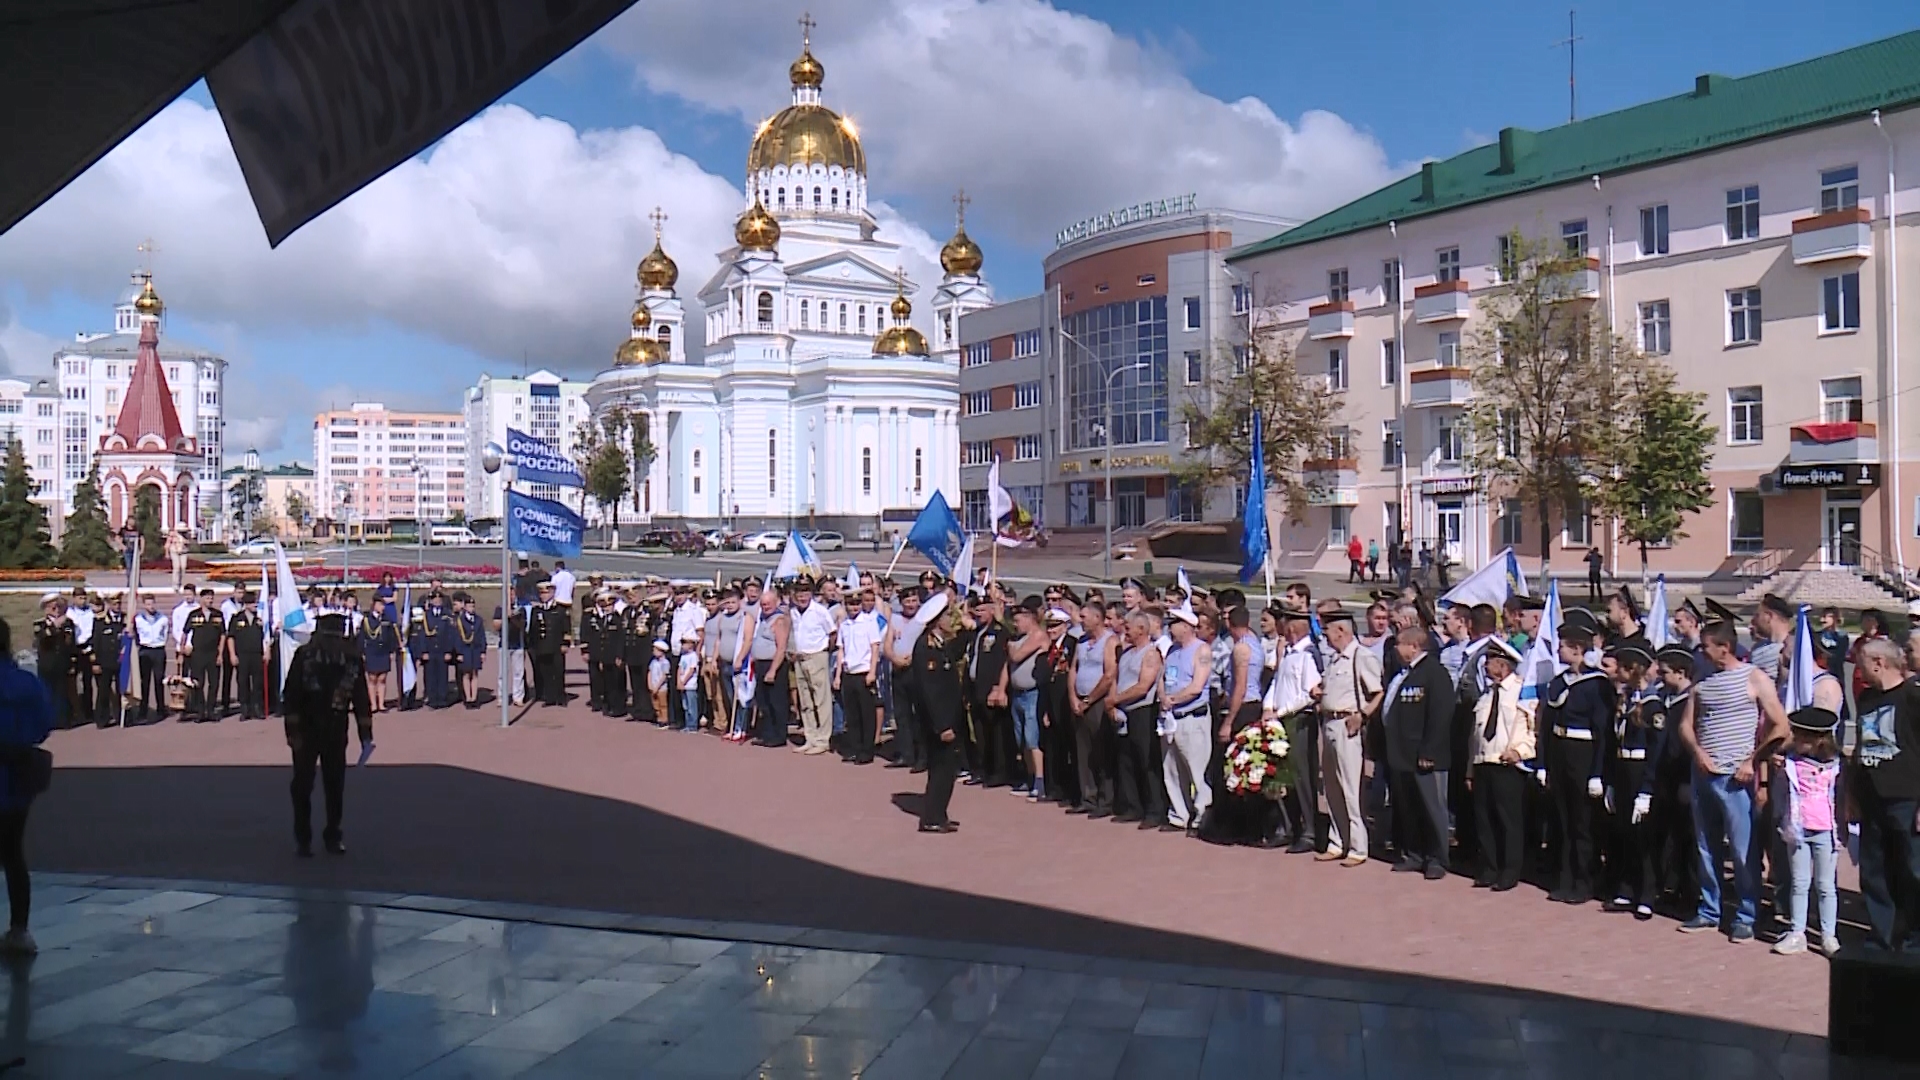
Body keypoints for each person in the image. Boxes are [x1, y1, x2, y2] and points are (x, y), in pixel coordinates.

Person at [1674, 618, 1790, 942]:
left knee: (1743, 851)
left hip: (1736, 779)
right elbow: (1686, 724)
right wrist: (1697, 751)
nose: (1702, 652)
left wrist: (1753, 761)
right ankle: (1709, 909)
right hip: (1703, 775)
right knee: (1706, 847)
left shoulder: (1754, 678)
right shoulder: (1703, 680)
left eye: (1707, 647)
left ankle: (1746, 915)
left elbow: (1780, 726)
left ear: (1724, 648)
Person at [1849, 637, 1920, 953]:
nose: (1858, 668)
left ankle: (1915, 935)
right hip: (1872, 796)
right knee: (1875, 870)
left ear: (1879, 662)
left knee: (1912, 869)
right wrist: (1851, 795)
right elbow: (1861, 747)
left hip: (1907, 797)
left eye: (1862, 661)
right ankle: (1883, 934)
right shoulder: (1866, 698)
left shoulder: (1912, 696)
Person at [282, 613, 372, 858]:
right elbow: (360, 699)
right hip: (317, 728)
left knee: (318, 785)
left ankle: (315, 837)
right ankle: (320, 837)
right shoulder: (336, 657)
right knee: (321, 785)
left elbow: (290, 696)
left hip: (318, 729)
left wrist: (365, 731)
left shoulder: (339, 658)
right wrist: (365, 732)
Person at [1539, 622, 1613, 904]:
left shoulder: (1596, 685)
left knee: (1583, 822)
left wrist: (1596, 773)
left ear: (1578, 650)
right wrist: (1544, 764)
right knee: (1563, 819)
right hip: (1560, 752)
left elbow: (1602, 732)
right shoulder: (1558, 683)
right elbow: (1547, 726)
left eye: (1563, 645)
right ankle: (1565, 878)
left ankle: (1586, 880)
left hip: (1583, 754)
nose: (1558, 649)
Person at [1382, 627, 1455, 880]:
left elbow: (1441, 715)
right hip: (1402, 754)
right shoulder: (1404, 674)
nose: (1395, 648)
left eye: (1400, 644)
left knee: (1432, 807)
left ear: (1414, 646)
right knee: (1409, 808)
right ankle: (1414, 854)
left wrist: (1430, 751)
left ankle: (1437, 858)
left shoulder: (1435, 674)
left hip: (1425, 756)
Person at [1771, 706, 1843, 957]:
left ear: (1818, 740)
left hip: (1825, 830)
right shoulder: (1790, 764)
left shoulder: (1836, 765)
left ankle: (1828, 936)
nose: (1795, 740)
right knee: (1800, 882)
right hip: (1798, 829)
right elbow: (1781, 793)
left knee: (1825, 885)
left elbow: (1842, 796)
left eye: (1800, 736)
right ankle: (1797, 932)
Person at [0, 618, 53, 955]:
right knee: (13, 855)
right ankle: (19, 929)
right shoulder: (25, 682)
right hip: (16, 777)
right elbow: (45, 724)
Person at [1599, 644, 1660, 918]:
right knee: (1623, 833)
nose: (1619, 672)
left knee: (1643, 837)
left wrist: (1647, 790)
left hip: (1640, 771)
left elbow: (1656, 751)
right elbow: (1615, 743)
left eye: (1624, 667)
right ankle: (1626, 889)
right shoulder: (1624, 701)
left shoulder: (1653, 706)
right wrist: (1610, 781)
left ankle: (1647, 893)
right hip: (1623, 769)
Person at [1318, 608, 1382, 866]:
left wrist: (1362, 715)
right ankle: (1337, 840)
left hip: (1347, 725)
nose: (1326, 637)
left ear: (1341, 630)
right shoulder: (1335, 660)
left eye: (1329, 631)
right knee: (1332, 787)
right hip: (1329, 722)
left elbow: (1377, 692)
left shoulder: (1360, 656)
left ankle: (1357, 846)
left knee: (1349, 787)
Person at [1468, 637, 1532, 890]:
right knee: (1485, 820)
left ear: (1503, 665)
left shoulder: (1520, 691)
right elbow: (1474, 735)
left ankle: (1510, 871)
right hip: (1484, 763)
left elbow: (1531, 729)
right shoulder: (1487, 695)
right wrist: (1470, 769)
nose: (1485, 667)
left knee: (1509, 821)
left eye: (1490, 662)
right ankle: (1489, 868)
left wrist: (1520, 751)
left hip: (1507, 765)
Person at [1264, 602, 1321, 853]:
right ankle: (1287, 826)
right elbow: (1276, 683)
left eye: (1285, 622)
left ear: (1294, 626)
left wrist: (1283, 711)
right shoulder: (1287, 653)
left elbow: (1310, 694)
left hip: (1298, 721)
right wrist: (1268, 707)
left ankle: (1309, 830)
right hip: (1278, 719)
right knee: (1280, 776)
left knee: (1300, 776)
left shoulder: (1308, 654)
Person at [1109, 611, 1166, 829]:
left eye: (1129, 627)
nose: (1125, 630)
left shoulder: (1150, 654)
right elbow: (1117, 679)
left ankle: (1155, 809)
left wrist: (1116, 699)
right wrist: (1113, 703)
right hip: (1124, 712)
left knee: (1146, 762)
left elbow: (1143, 686)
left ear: (1141, 629)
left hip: (1142, 711)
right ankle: (1132, 806)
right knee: (1126, 760)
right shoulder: (1126, 653)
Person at [913, 594, 965, 833]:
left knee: (946, 769)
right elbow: (930, 692)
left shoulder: (939, 643)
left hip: (947, 718)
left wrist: (967, 630)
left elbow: (955, 651)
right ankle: (932, 817)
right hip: (938, 722)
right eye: (946, 616)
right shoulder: (926, 648)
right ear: (936, 621)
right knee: (942, 769)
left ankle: (939, 813)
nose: (949, 619)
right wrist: (943, 725)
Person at [1067, 600, 1118, 818]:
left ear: (1098, 618)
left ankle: (1106, 800)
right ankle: (1088, 796)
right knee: (1083, 752)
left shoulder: (1109, 641)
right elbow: (1073, 670)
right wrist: (1073, 697)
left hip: (1097, 702)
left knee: (1101, 750)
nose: (1081, 620)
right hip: (1079, 702)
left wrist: (1089, 700)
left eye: (1085, 617)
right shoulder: (1081, 641)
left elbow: (1109, 675)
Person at [1005, 602, 1049, 800]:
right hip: (1018, 693)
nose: (1015, 625)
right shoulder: (1019, 638)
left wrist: (1011, 646)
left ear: (1029, 618)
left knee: (1032, 739)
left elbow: (1016, 656)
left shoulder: (1037, 636)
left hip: (1033, 693)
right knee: (1021, 738)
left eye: (1018, 620)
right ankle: (1029, 777)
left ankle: (1039, 781)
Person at [787, 577, 836, 755]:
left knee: (821, 700)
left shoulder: (820, 611)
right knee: (805, 701)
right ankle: (811, 737)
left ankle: (823, 740)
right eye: (800, 592)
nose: (803, 596)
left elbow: (832, 634)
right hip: (800, 658)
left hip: (817, 656)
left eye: (806, 592)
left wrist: (823, 652)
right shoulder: (793, 611)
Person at [835, 585, 883, 764]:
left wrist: (872, 672)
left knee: (866, 714)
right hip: (849, 673)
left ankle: (866, 750)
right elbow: (841, 650)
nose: (854, 607)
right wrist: (838, 676)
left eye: (857, 604)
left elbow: (875, 648)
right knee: (852, 714)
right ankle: (854, 748)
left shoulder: (869, 622)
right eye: (850, 604)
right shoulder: (845, 625)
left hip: (864, 673)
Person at [750, 583, 793, 748]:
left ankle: (778, 736)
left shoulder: (779, 620)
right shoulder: (763, 619)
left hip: (774, 665)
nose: (765, 607)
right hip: (760, 665)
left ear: (776, 603)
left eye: (768, 603)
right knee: (763, 702)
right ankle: (767, 734)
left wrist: (773, 670)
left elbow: (781, 648)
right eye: (762, 604)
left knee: (777, 702)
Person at [182, 588, 226, 723]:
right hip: (198, 654)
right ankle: (200, 712)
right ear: (201, 599)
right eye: (207, 598)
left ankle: (211, 710)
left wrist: (220, 653)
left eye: (211, 598)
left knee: (214, 683)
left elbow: (223, 635)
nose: (210, 600)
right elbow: (185, 632)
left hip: (213, 653)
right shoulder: (193, 614)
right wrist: (182, 649)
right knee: (198, 683)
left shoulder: (218, 615)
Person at [527, 582, 570, 707]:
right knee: (545, 672)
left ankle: (560, 697)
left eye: (546, 593)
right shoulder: (537, 609)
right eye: (541, 593)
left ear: (552, 593)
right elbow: (533, 628)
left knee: (558, 671)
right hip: (542, 646)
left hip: (556, 645)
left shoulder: (560, 609)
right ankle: (549, 697)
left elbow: (566, 627)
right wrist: (532, 645)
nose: (543, 596)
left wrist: (565, 643)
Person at [226, 592, 268, 720]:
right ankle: (245, 709)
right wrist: (232, 655)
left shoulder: (260, 619)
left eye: (255, 602)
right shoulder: (236, 618)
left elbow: (266, 637)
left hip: (256, 654)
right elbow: (231, 637)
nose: (255, 605)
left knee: (257, 683)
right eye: (252, 603)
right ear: (246, 605)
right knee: (242, 682)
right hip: (242, 655)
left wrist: (267, 651)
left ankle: (257, 708)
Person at [133, 593, 170, 723]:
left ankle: (161, 708)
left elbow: (165, 634)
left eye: (152, 603)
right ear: (144, 605)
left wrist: (160, 644)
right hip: (145, 650)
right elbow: (135, 634)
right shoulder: (138, 619)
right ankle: (143, 709)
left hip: (158, 650)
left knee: (159, 680)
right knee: (145, 682)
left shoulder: (163, 618)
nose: (151, 606)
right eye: (148, 604)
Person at [360, 604, 399, 713]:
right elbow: (362, 636)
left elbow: (391, 636)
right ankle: (373, 704)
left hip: (384, 652)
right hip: (371, 652)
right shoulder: (367, 620)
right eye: (380, 605)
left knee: (382, 678)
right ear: (374, 606)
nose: (382, 607)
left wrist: (392, 650)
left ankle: (381, 704)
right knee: (372, 678)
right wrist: (362, 652)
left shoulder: (387, 619)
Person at [453, 593, 486, 709]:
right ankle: (468, 698)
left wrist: (483, 651)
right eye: (469, 606)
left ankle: (474, 697)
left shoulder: (478, 620)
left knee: (475, 673)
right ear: (465, 607)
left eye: (473, 606)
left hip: (475, 649)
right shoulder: (460, 621)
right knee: (466, 674)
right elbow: (457, 638)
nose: (471, 608)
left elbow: (482, 636)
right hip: (465, 650)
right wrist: (459, 652)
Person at [677, 629, 703, 732]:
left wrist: (684, 681)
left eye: (685, 643)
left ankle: (692, 725)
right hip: (683, 685)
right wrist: (679, 681)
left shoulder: (693, 656)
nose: (682, 645)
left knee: (692, 706)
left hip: (690, 685)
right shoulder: (683, 656)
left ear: (691, 644)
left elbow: (692, 670)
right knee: (685, 706)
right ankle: (687, 723)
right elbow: (679, 668)